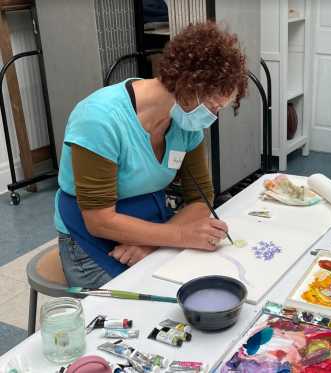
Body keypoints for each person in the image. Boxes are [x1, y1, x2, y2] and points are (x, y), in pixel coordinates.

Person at [55, 22, 248, 288]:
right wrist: (179, 235)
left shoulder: (185, 124)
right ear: (188, 84)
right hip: (92, 239)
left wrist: (152, 243)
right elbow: (99, 221)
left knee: (195, 291)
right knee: (152, 313)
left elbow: (202, 199)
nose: (213, 116)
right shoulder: (99, 120)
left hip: (152, 227)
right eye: (213, 106)